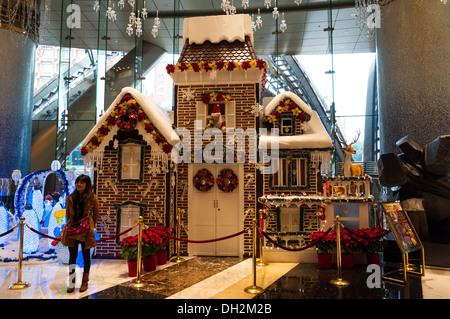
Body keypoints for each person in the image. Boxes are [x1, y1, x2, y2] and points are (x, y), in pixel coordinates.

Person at [61, 175, 99, 293]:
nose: (79, 184)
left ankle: (84, 282)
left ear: (87, 184)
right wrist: (71, 224)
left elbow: (96, 215)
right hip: (73, 231)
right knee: (72, 257)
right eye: (78, 182)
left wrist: (90, 225)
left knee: (86, 256)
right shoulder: (70, 198)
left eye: (82, 182)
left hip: (86, 232)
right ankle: (72, 282)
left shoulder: (93, 198)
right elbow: (67, 214)